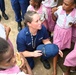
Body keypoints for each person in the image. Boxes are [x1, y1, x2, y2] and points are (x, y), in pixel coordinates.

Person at [52, 0, 76, 75]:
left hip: (67, 32)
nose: (63, 5)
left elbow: (74, 24)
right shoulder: (59, 9)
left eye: (66, 4)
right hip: (58, 32)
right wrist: (53, 13)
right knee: (56, 49)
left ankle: (61, 52)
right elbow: (54, 19)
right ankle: (54, 70)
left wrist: (72, 24)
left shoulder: (75, 14)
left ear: (73, 6)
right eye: (63, 3)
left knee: (63, 45)